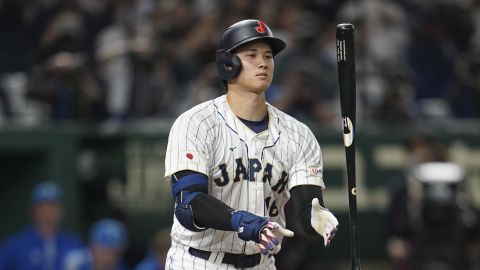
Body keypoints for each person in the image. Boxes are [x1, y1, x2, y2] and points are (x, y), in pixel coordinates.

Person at [164, 19, 339, 269]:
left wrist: (318, 219)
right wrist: (240, 220)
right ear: (228, 63)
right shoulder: (196, 123)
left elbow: (305, 212)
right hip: (198, 260)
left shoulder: (299, 134)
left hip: (262, 263)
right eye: (251, 55)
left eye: (268, 56)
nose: (263, 62)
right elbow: (189, 205)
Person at [0, 181, 83, 270]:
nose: (49, 212)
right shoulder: (15, 245)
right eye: (44, 206)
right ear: (33, 210)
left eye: (54, 206)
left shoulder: (74, 244)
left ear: (61, 210)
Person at [64, 218, 128, 270]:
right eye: (104, 252)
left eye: (114, 253)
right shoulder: (75, 263)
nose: (108, 258)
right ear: (92, 248)